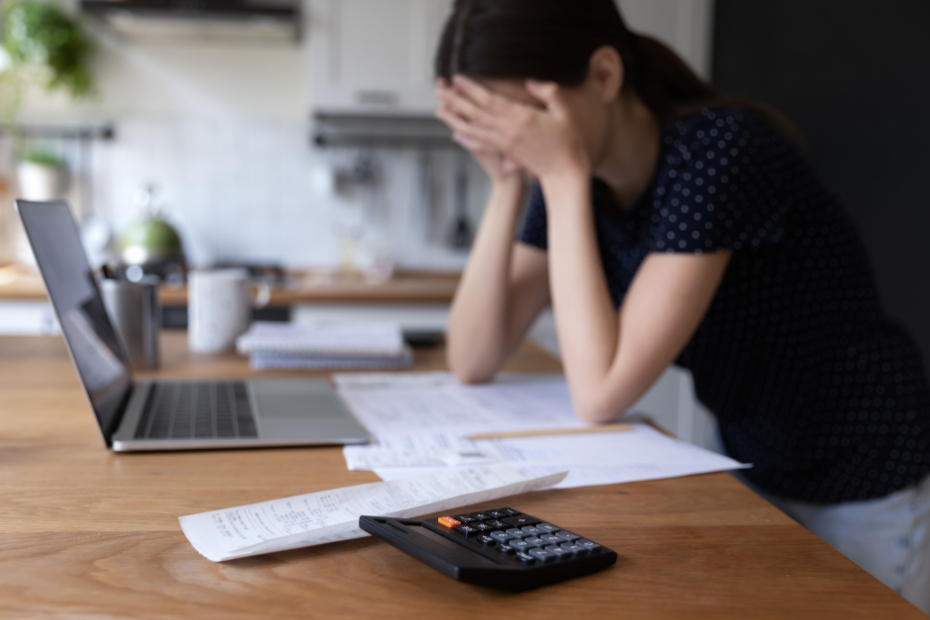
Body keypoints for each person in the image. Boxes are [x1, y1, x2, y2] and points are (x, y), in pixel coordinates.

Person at [432, 0, 930, 612]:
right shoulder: (575, 180)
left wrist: (559, 176)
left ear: (605, 76)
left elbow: (601, 391)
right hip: (758, 455)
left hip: (864, 463)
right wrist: (509, 181)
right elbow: (473, 357)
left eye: (523, 120)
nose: (518, 143)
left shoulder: (719, 151)